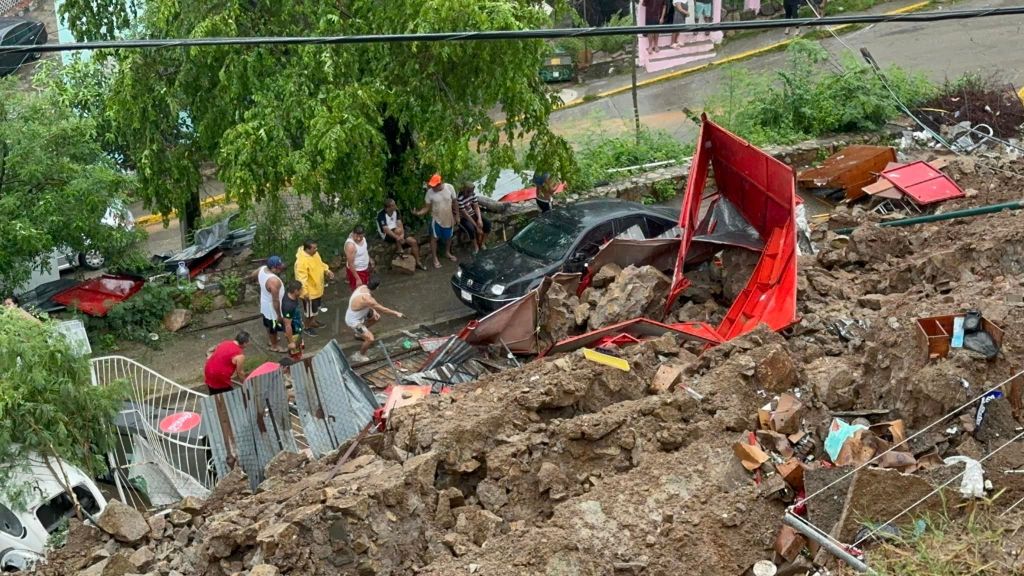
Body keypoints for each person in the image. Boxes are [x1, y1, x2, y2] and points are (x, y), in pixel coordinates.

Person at [344, 277, 404, 363]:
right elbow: (383, 309)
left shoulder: (362, 287)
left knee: (376, 317)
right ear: (377, 287)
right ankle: (360, 355)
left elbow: (369, 304)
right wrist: (396, 313)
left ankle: (358, 334)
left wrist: (373, 310)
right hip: (354, 321)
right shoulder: (368, 299)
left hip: (361, 312)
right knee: (370, 339)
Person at [415, 173, 459, 269]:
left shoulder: (449, 188)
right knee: (434, 238)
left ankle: (447, 252)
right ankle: (435, 258)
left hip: (448, 217)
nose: (432, 188)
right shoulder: (429, 193)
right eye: (432, 186)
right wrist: (419, 213)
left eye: (434, 186)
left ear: (440, 183)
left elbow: (455, 202)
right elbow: (427, 208)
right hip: (436, 219)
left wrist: (457, 216)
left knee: (449, 236)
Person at [294, 239, 334, 334]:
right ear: (308, 249)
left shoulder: (315, 254)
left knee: (315, 309)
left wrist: (327, 271)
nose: (316, 249)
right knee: (309, 312)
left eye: (316, 247)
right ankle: (307, 327)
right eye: (314, 248)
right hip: (309, 292)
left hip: (317, 289)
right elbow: (301, 279)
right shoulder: (301, 262)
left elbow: (320, 264)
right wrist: (305, 292)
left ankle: (313, 322)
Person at [249, 255, 287, 352]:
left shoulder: (262, 269)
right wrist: (279, 314)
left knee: (267, 323)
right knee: (273, 327)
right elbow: (275, 300)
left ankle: (271, 340)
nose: (280, 269)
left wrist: (258, 281)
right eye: (278, 268)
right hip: (272, 307)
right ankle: (274, 346)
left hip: (265, 302)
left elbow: (252, 275)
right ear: (273, 268)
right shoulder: (273, 281)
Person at [376, 198, 426, 270]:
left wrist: (402, 235)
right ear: (388, 208)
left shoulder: (396, 211)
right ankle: (400, 250)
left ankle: (418, 262)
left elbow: (400, 224)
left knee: (413, 242)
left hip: (398, 231)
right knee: (397, 231)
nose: (395, 206)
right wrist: (397, 237)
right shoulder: (381, 214)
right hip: (387, 234)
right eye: (393, 205)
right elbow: (385, 229)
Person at [204, 331, 250, 395]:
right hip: (219, 376)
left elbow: (210, 351)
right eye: (248, 343)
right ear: (244, 343)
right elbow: (240, 373)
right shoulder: (239, 355)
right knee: (229, 396)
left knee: (214, 393)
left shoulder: (225, 343)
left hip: (208, 370)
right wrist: (246, 385)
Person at [457, 183, 492, 254]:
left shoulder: (472, 194)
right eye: (469, 191)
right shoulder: (459, 199)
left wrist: (479, 219)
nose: (471, 193)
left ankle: (482, 243)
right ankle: (476, 246)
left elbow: (476, 206)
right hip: (464, 217)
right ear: (465, 190)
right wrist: (477, 227)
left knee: (487, 223)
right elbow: (466, 215)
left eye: (472, 191)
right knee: (471, 229)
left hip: (472, 213)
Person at [344, 225, 374, 291]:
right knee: (358, 291)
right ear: (353, 233)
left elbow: (365, 250)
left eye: (361, 236)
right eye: (356, 236)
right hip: (357, 271)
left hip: (364, 268)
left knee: (365, 287)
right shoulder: (350, 246)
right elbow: (351, 264)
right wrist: (357, 278)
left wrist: (369, 259)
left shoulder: (364, 239)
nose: (358, 239)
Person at [281, 280, 305, 360]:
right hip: (294, 333)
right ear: (295, 291)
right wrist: (291, 342)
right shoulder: (288, 306)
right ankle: (296, 362)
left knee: (300, 347)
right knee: (295, 353)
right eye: (301, 289)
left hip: (297, 328)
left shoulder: (292, 296)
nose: (302, 291)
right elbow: (288, 326)